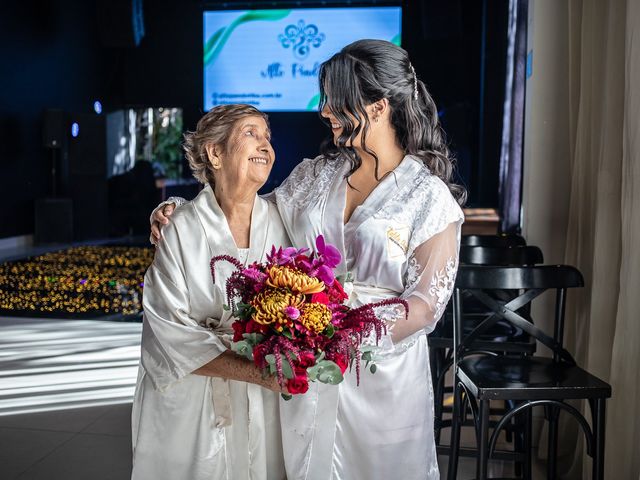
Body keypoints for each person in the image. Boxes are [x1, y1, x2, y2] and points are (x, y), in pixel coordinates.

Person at [152, 40, 465, 480]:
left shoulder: (427, 196)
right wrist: (177, 211)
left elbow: (426, 304)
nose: (323, 110)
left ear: (376, 106)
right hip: (308, 372)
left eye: (334, 99)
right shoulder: (315, 176)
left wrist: (345, 334)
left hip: (379, 376)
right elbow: (245, 214)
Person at [132, 104, 289, 480]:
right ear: (215, 153)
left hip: (264, 398)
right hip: (195, 400)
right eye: (251, 133)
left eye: (268, 136)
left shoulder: (284, 221)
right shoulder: (180, 228)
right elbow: (170, 332)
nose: (265, 144)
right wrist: (259, 372)